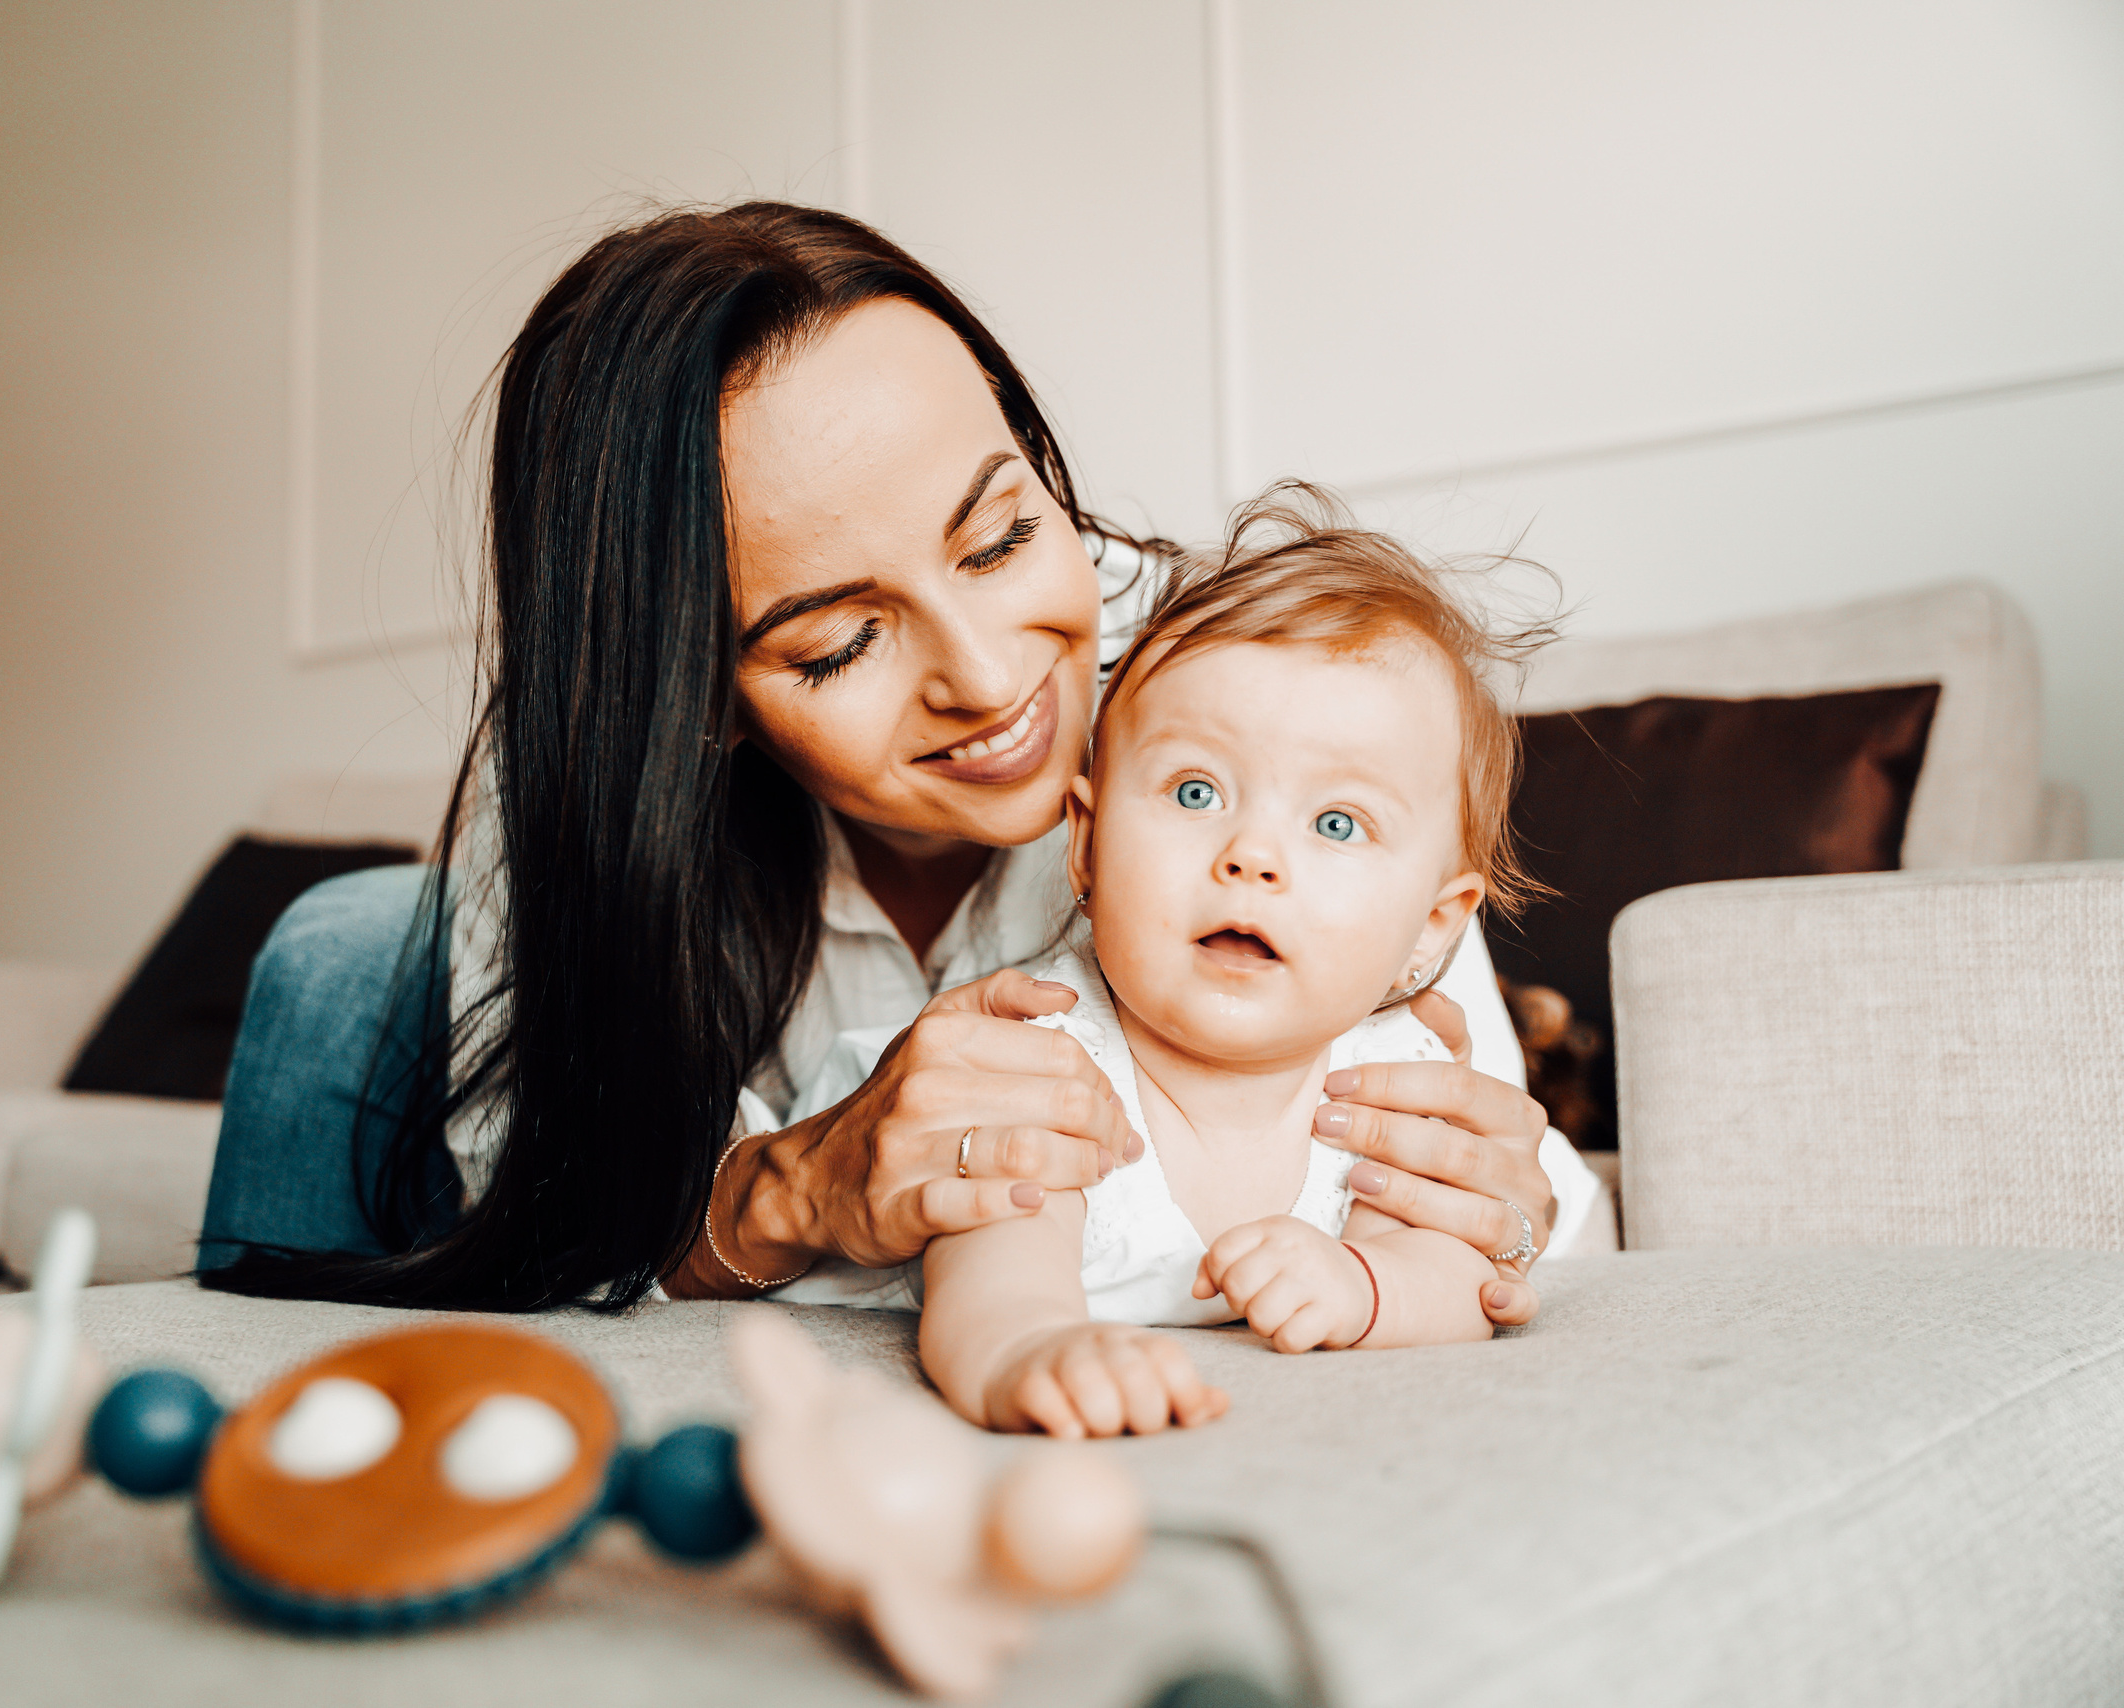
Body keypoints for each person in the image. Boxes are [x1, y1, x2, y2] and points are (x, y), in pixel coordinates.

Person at [196, 202, 1574, 1322]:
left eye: (1001, 537)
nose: (987, 677)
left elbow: (1494, 1172)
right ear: (690, 696)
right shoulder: (584, 779)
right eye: (838, 644)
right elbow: (545, 1219)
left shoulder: (1248, 695)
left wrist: (1491, 1210)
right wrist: (793, 1191)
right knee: (348, 941)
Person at [853, 490, 1598, 1436]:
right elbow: (994, 1286)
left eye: (1338, 823)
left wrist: (1367, 1286)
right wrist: (1030, 1350)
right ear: (1085, 847)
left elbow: (1458, 1275)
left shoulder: (1393, 1077)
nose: (1252, 856)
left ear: (1431, 927)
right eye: (1197, 791)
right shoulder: (1041, 1058)